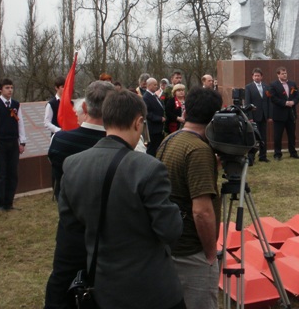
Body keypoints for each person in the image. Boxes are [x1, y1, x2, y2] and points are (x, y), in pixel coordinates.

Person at [58, 89, 186, 309]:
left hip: (103, 288)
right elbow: (170, 230)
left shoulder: (72, 164)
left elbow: (72, 229)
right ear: (138, 122)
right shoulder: (148, 168)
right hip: (152, 290)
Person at [44, 81, 116, 309]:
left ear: (84, 108)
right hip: (110, 228)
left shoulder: (61, 140)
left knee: (62, 282)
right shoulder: (122, 144)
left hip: (71, 225)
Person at [156, 87, 223, 309]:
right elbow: (201, 211)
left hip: (170, 243)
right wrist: (211, 255)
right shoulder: (198, 150)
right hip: (192, 251)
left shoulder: (170, 140)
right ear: (215, 118)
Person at [0, 78, 26, 211]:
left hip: (13, 142)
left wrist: (22, 141)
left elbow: (20, 123)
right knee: (1, 175)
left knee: (12, 174)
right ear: (1, 90)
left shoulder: (15, 104)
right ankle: (0, 204)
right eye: (7, 88)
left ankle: (9, 203)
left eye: (11, 87)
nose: (10, 90)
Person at [269, 66, 299, 160]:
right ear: (278, 74)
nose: (285, 75)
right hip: (279, 115)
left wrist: (293, 102)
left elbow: (298, 95)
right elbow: (273, 98)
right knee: (278, 136)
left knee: (292, 135)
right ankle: (277, 154)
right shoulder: (273, 85)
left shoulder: (292, 83)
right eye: (282, 73)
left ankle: (293, 152)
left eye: (285, 73)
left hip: (291, 114)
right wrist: (284, 103)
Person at [244, 68, 270, 162]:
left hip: (263, 116)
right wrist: (250, 117)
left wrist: (269, 115)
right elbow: (247, 103)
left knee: (263, 137)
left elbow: (268, 101)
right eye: (255, 75)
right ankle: (251, 158)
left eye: (258, 75)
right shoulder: (249, 87)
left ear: (261, 76)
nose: (257, 77)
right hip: (254, 117)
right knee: (253, 137)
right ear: (252, 76)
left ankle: (263, 156)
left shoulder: (266, 87)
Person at [143, 77, 166, 157]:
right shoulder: (146, 97)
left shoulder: (154, 95)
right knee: (152, 149)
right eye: (155, 85)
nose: (157, 86)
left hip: (159, 128)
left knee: (158, 147)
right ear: (149, 85)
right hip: (153, 128)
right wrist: (159, 118)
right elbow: (146, 113)